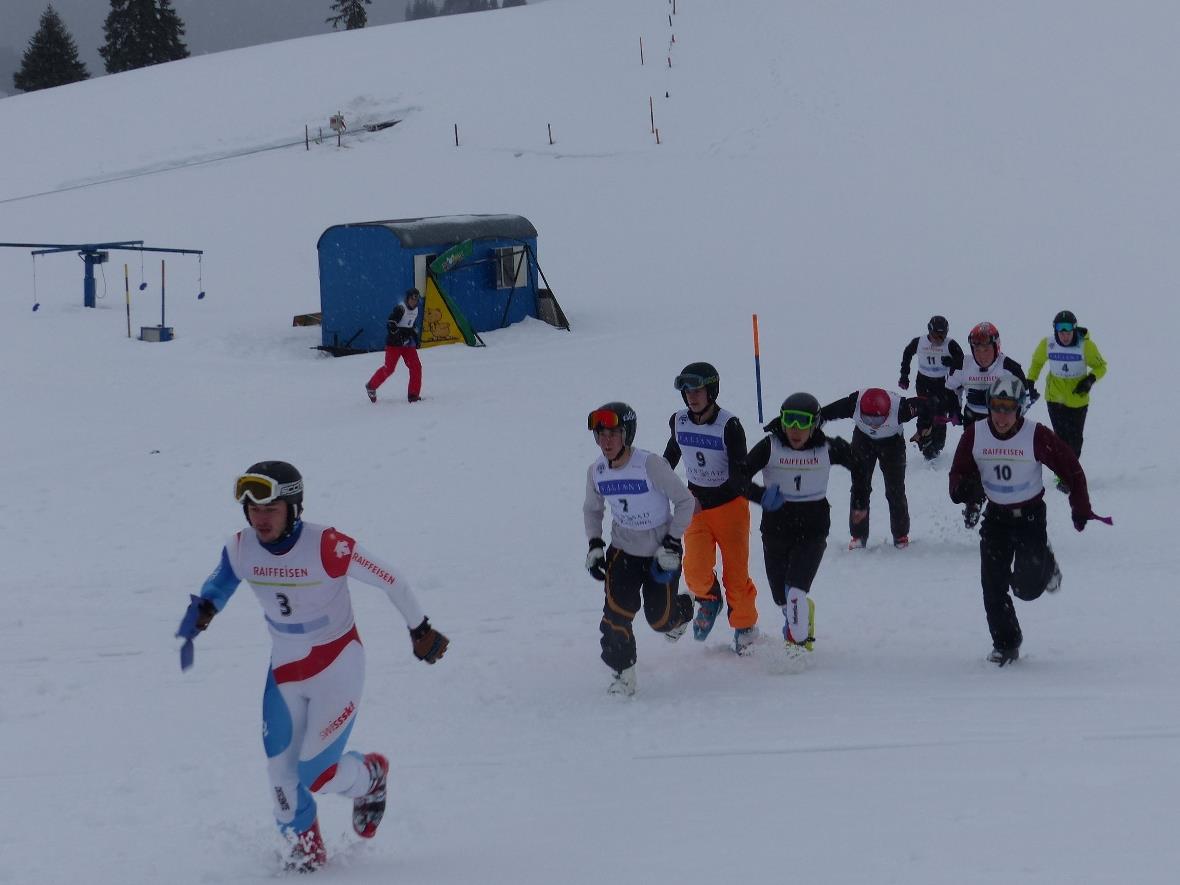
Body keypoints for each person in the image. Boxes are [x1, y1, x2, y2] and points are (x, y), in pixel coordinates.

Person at [175, 461, 449, 872]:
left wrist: (419, 628)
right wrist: (205, 609)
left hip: (337, 664)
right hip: (284, 669)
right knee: (280, 771)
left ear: (293, 507)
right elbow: (219, 583)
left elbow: (391, 579)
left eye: (270, 509)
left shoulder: (327, 545)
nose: (260, 519)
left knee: (316, 773)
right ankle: (305, 855)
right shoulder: (239, 547)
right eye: (252, 510)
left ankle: (370, 775)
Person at [948, 378, 1096, 666]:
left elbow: (1071, 468)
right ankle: (1006, 644)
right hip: (997, 519)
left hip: (1030, 517)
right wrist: (962, 490)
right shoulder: (975, 434)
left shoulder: (1035, 435)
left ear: (1019, 409)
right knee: (993, 584)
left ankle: (1046, 562)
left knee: (1025, 590)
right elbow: (958, 472)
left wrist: (1080, 507)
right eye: (996, 407)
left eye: (1009, 408)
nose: (1002, 416)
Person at [584, 402, 696, 696]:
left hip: (661, 552)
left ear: (627, 435)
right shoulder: (596, 471)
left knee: (660, 621)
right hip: (623, 551)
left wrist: (672, 542)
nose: (606, 441)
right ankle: (622, 672)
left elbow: (685, 502)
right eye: (600, 435)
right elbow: (592, 510)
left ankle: (683, 609)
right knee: (615, 615)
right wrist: (595, 544)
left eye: (613, 434)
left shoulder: (650, 465)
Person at [742, 392, 856, 669]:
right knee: (781, 596)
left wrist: (861, 501)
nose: (794, 429)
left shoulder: (827, 448)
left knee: (795, 591)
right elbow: (737, 476)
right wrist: (759, 495)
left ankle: (798, 643)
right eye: (788, 421)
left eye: (802, 422)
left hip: (813, 529)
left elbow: (861, 464)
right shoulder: (770, 446)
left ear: (815, 424)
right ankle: (802, 613)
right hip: (776, 528)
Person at [663, 362, 760, 655]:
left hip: (730, 508)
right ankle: (708, 599)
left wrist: (714, 496)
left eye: (698, 390)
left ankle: (745, 628)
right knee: (694, 569)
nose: (692, 396)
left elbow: (740, 474)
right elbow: (670, 457)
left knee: (736, 577)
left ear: (712, 391)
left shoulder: (730, 426)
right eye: (687, 391)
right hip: (695, 508)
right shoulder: (679, 421)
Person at [820, 387, 933, 549]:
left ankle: (901, 535)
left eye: (878, 421)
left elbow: (928, 405)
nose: (874, 425)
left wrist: (923, 428)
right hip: (863, 441)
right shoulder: (853, 404)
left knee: (895, 490)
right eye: (868, 419)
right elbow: (824, 414)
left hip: (893, 444)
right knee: (860, 487)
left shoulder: (902, 409)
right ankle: (858, 536)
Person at [1026, 310, 1108, 493]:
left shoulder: (1086, 346)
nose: (1064, 334)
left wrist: (1089, 380)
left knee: (1075, 440)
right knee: (1061, 438)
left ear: (1074, 329)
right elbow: (1037, 362)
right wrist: (1030, 380)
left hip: (1078, 400)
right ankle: (1064, 475)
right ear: (1055, 330)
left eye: (1068, 330)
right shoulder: (1048, 344)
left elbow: (1101, 366)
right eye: (1060, 330)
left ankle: (1067, 468)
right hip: (1054, 398)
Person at [898, 315, 964, 459]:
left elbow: (962, 361)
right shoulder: (919, 342)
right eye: (935, 335)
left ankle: (938, 445)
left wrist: (952, 362)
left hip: (942, 383)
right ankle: (924, 445)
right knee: (925, 411)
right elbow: (907, 354)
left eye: (942, 336)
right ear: (929, 331)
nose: (938, 340)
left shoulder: (950, 344)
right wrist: (904, 375)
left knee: (940, 413)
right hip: (923, 382)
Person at [943, 321, 1030, 427]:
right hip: (971, 420)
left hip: (1001, 423)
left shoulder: (1010, 368)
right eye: (977, 350)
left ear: (996, 347)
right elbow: (950, 388)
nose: (982, 356)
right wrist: (954, 409)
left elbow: (1025, 400)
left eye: (986, 350)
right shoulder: (962, 365)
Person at [365, 287, 423, 403]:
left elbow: (410, 324)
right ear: (407, 299)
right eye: (412, 299)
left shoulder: (416, 310)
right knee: (389, 369)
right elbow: (391, 323)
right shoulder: (401, 308)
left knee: (416, 367)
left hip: (407, 344)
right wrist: (398, 337)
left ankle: (413, 395)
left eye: (416, 300)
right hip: (394, 345)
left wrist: (414, 335)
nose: (414, 302)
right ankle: (371, 386)